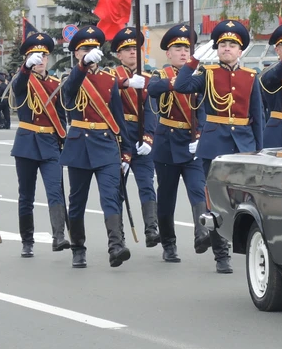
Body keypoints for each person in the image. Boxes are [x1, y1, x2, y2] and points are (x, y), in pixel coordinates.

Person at [173, 20, 264, 274]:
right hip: (213, 145)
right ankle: (221, 255)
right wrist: (192, 62)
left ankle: (247, 248)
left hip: (244, 146)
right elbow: (181, 87)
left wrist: (259, 150)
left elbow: (257, 117)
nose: (226, 48)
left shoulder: (250, 77)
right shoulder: (207, 73)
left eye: (232, 45)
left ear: (240, 51)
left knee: (246, 201)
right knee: (215, 202)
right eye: (222, 44)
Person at [60, 25, 134, 269]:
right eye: (84, 50)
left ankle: (116, 246)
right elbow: (70, 91)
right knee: (77, 200)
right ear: (77, 54)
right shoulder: (71, 78)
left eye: (93, 49)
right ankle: (78, 248)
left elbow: (118, 116)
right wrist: (82, 67)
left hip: (106, 144)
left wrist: (126, 149)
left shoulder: (109, 79)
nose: (89, 54)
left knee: (111, 196)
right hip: (80, 144)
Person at [145, 24, 207, 264]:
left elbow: (203, 109)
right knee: (167, 198)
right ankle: (169, 244)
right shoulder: (162, 75)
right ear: (168, 54)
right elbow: (153, 89)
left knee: (198, 190)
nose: (184, 53)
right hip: (167, 144)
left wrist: (200, 135)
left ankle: (201, 234)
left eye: (187, 49)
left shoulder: (199, 77)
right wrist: (177, 82)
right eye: (178, 48)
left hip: (192, 144)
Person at [9, 32, 69, 257]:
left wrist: (63, 140)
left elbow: (61, 116)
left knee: (55, 191)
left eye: (44, 55)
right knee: (26, 195)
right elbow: (18, 88)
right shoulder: (22, 80)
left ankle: (59, 236)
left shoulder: (56, 83)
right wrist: (25, 68)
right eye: (36, 55)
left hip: (50, 143)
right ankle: (27, 240)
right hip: (27, 143)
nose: (41, 59)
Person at [108, 27, 159, 247]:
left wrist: (148, 138)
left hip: (142, 138)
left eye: (135, 49)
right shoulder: (111, 78)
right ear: (118, 55)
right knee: (117, 189)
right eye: (126, 49)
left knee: (147, 184)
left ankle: (151, 229)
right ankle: (118, 238)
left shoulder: (148, 79)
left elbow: (152, 110)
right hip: (120, 138)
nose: (132, 53)